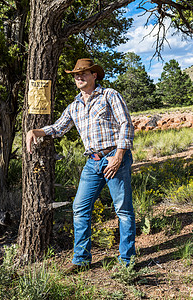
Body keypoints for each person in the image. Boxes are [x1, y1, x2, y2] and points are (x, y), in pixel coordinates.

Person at [26, 58, 136, 272]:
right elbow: (58, 128)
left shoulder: (109, 95)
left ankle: (127, 262)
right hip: (92, 162)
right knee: (80, 208)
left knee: (123, 211)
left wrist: (119, 155)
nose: (79, 77)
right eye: (76, 74)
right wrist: (36, 131)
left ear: (94, 75)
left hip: (114, 156)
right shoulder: (74, 106)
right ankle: (81, 260)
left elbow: (126, 123)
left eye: (83, 73)